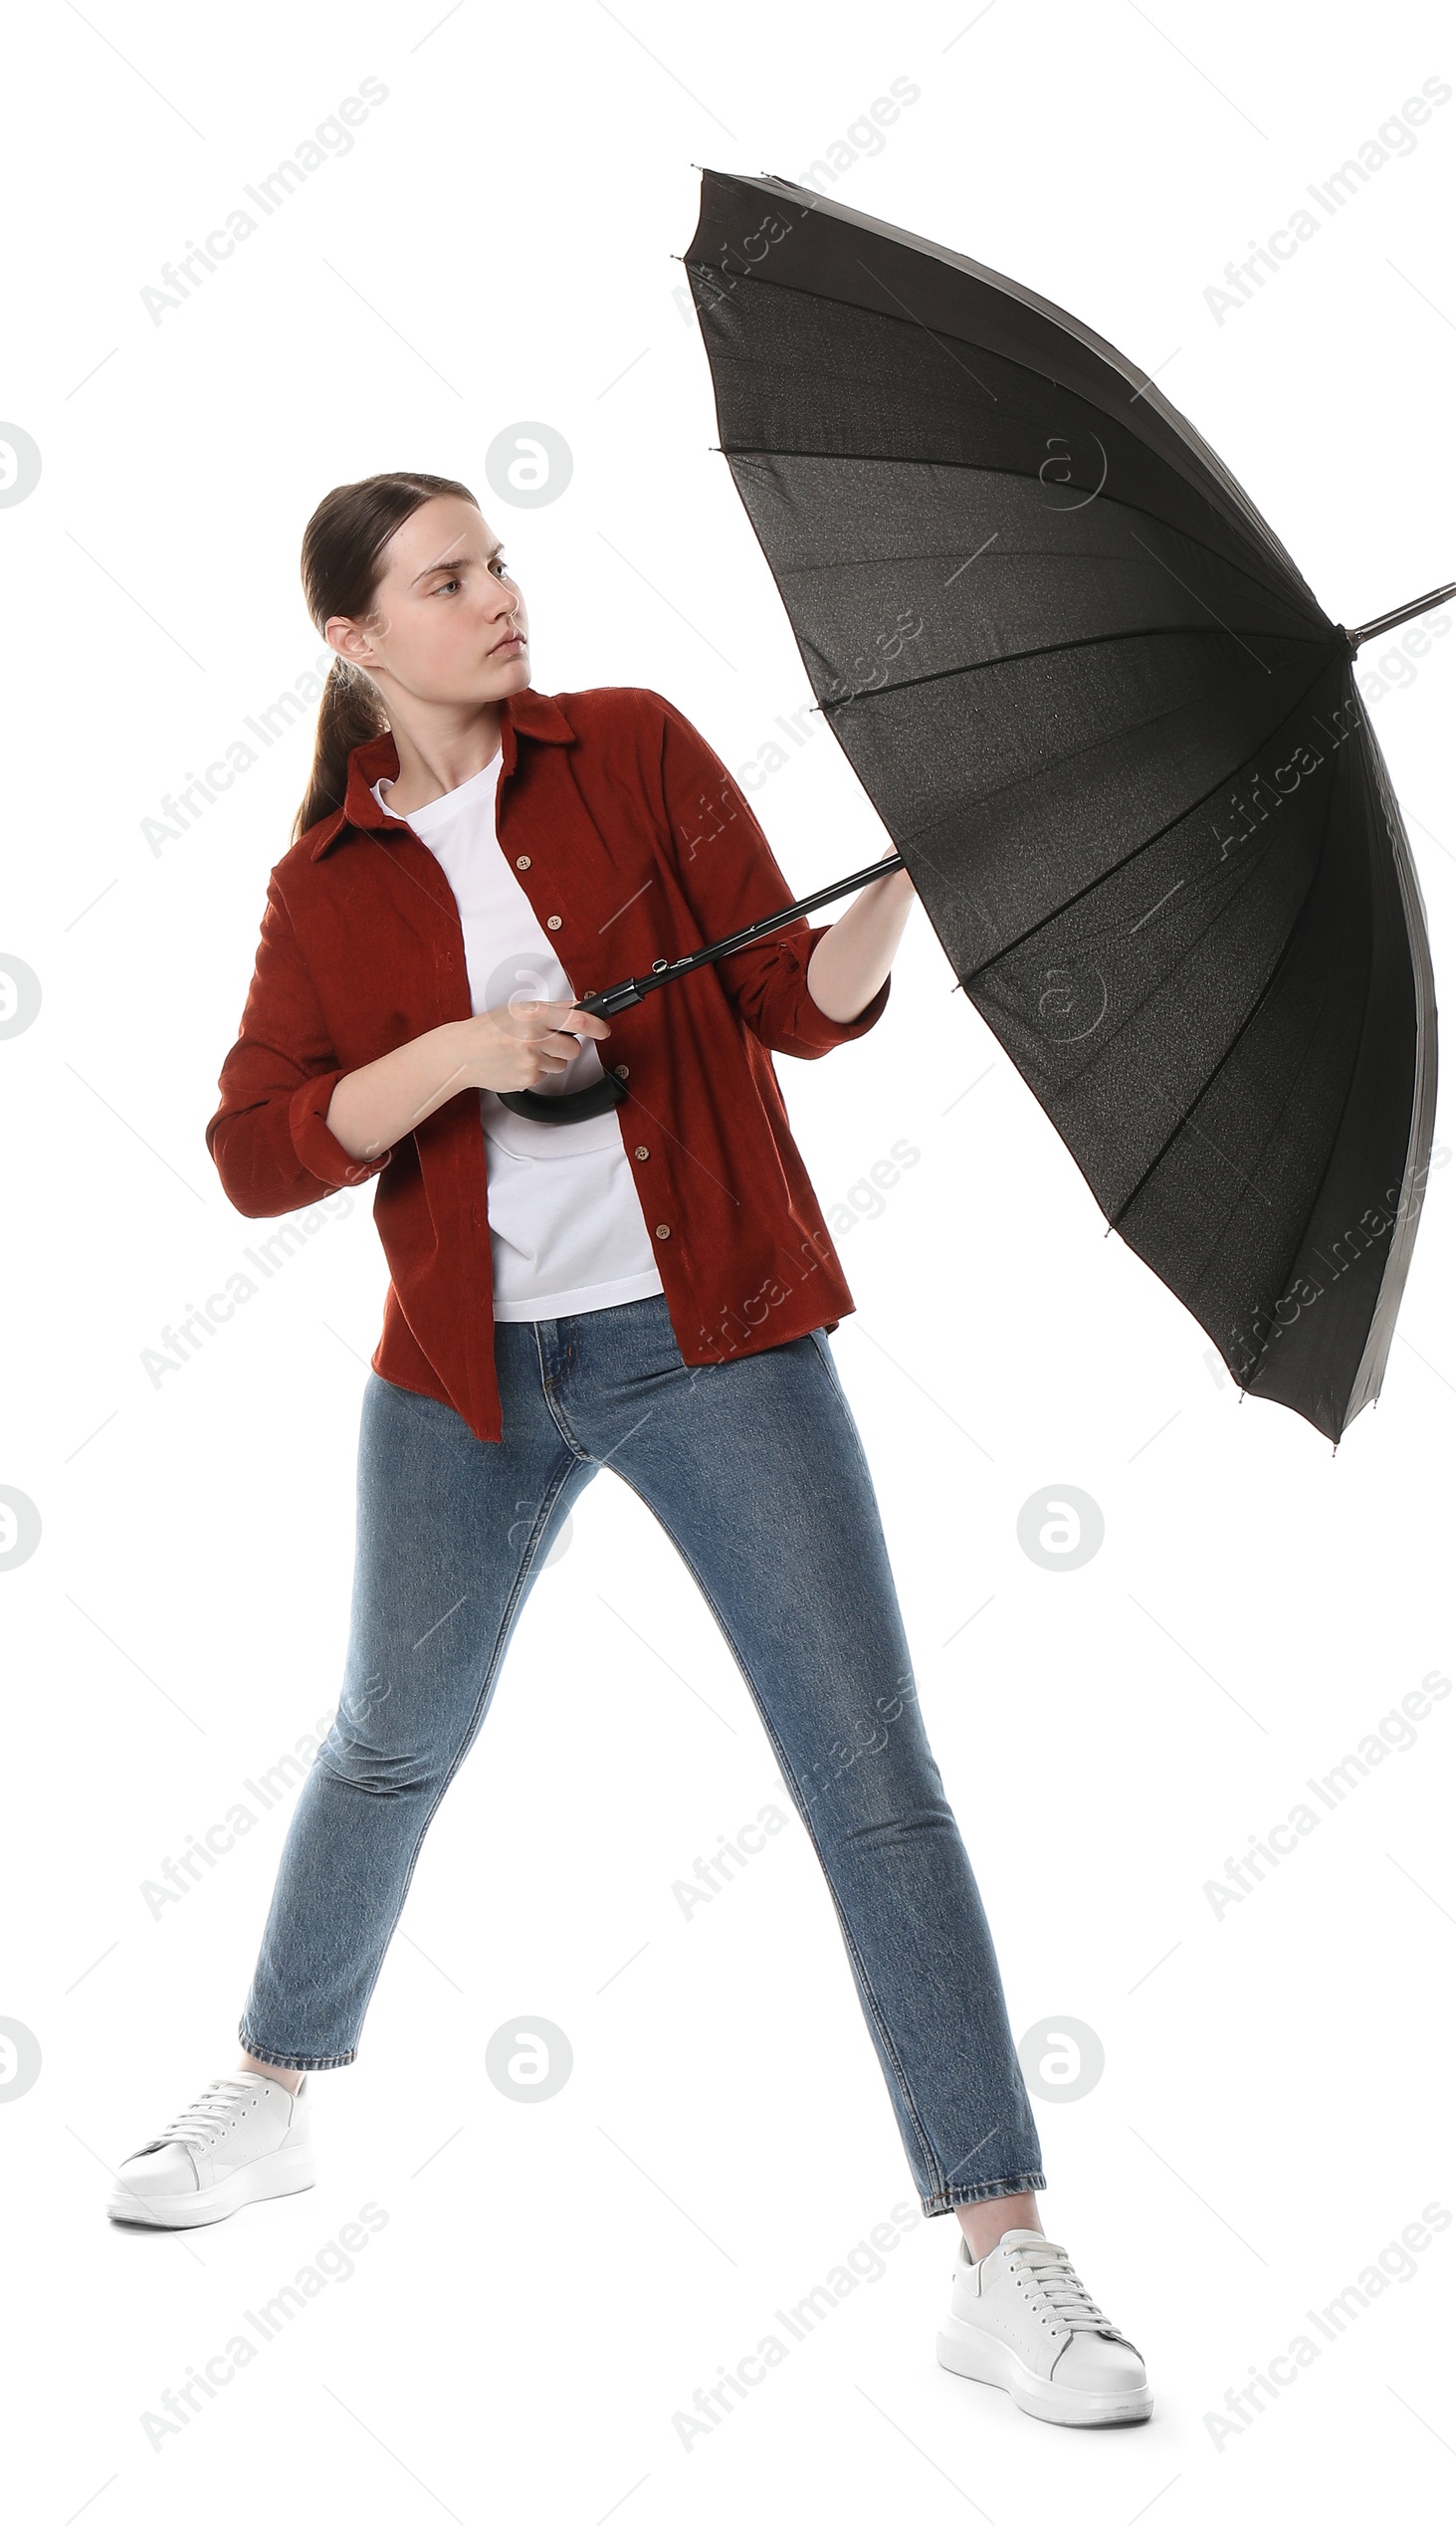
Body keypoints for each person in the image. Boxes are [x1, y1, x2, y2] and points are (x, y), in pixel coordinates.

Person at [105, 470, 1151, 2428]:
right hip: (464, 1383)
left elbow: (790, 1001)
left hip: (714, 1340)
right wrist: (460, 1058)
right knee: (388, 1739)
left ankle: (1000, 2254)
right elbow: (260, 1149)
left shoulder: (636, 754)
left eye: (498, 561)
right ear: (353, 639)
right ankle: (269, 2098)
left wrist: (901, 884)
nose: (501, 596)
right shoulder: (327, 882)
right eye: (448, 579)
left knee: (867, 1770)